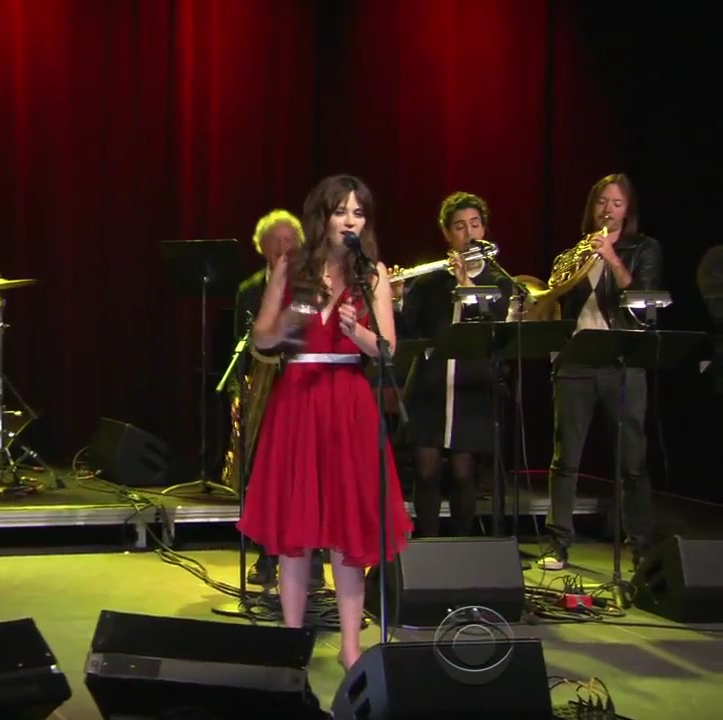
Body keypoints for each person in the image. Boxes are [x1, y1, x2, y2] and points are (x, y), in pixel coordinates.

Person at [238, 175, 412, 670]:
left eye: (358, 213)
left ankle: (351, 648)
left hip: (348, 401)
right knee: (295, 531)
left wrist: (356, 332)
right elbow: (262, 338)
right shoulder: (292, 266)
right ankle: (291, 643)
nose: (350, 221)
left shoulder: (372, 272)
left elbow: (387, 349)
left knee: (347, 530)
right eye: (341, 211)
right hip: (299, 397)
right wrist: (290, 323)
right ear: (323, 217)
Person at [538, 173, 661, 571]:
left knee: (632, 462)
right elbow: (552, 302)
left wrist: (611, 258)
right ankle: (558, 543)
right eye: (602, 202)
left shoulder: (643, 249)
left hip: (622, 362)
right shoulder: (573, 253)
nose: (608, 210)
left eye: (617, 203)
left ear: (628, 211)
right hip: (576, 361)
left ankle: (640, 545)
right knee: (565, 459)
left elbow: (641, 297)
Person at [395, 192, 517, 538]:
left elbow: (491, 325)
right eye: (460, 227)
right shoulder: (429, 281)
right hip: (431, 386)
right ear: (448, 234)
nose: (469, 233)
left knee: (464, 472)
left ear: (485, 230)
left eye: (475, 225)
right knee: (426, 470)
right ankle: (428, 545)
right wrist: (397, 298)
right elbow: (408, 332)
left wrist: (465, 283)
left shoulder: (499, 281)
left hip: (472, 387)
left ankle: (462, 544)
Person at [223, 209, 325, 590]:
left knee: (308, 474)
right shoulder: (250, 289)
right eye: (276, 242)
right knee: (265, 474)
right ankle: (266, 555)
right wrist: (237, 393)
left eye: (290, 241)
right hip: (264, 387)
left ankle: (311, 558)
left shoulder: (315, 285)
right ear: (261, 248)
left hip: (306, 387)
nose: (284, 249)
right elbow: (239, 346)